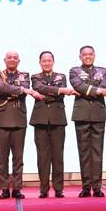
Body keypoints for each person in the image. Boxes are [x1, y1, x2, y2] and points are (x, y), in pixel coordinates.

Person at [69, 45, 106, 198]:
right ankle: (85, 187)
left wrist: (93, 90)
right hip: (81, 114)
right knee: (84, 152)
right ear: (80, 57)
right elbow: (78, 85)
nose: (88, 57)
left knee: (97, 151)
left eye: (90, 54)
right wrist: (97, 91)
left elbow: (104, 86)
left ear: (94, 55)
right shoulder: (74, 71)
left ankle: (97, 186)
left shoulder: (102, 71)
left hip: (98, 113)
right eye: (85, 54)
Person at [0, 50, 43, 199]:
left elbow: (10, 89)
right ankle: (4, 188)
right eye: (9, 57)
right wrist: (22, 90)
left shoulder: (24, 75)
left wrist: (17, 90)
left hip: (19, 118)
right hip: (2, 119)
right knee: (3, 157)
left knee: (18, 157)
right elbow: (1, 87)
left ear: (19, 61)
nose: (12, 60)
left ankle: (17, 188)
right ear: (4, 60)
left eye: (15, 58)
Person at [30, 51, 77, 198]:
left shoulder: (61, 76)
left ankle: (58, 188)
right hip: (40, 119)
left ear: (53, 61)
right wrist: (58, 91)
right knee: (42, 156)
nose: (46, 63)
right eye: (44, 61)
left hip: (57, 119)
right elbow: (39, 88)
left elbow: (59, 94)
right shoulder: (35, 77)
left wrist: (52, 93)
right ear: (40, 62)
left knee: (58, 155)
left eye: (49, 60)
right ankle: (43, 189)